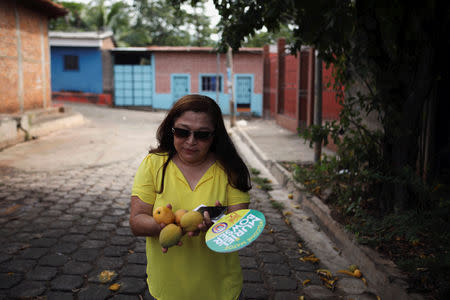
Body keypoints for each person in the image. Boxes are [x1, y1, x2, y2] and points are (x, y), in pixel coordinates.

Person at [129, 94, 252, 300]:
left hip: (220, 290)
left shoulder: (231, 170)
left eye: (202, 135)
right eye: (182, 132)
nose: (191, 141)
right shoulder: (153, 164)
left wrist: (216, 224)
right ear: (171, 130)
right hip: (166, 289)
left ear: (215, 135)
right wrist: (166, 227)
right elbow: (136, 221)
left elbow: (241, 228)